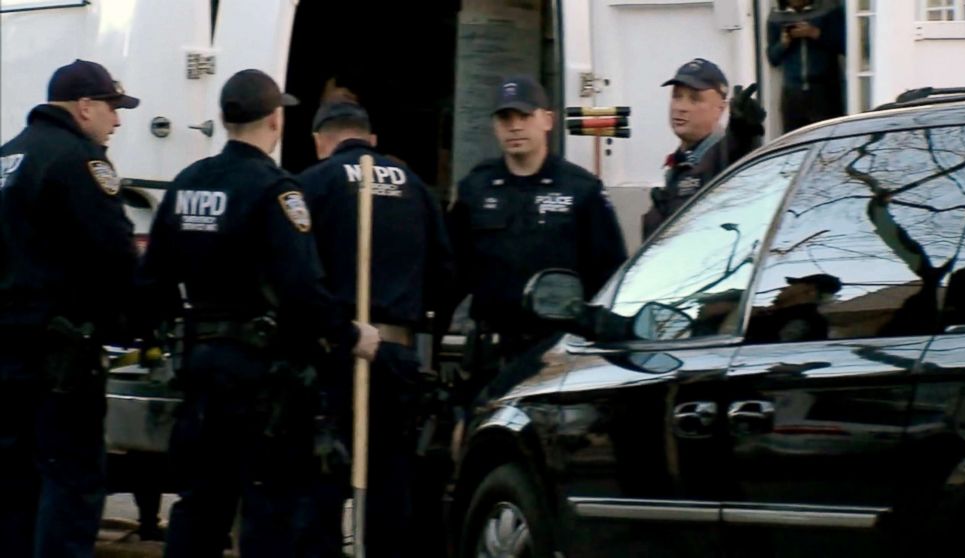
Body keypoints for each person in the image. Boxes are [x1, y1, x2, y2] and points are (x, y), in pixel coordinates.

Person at [138, 69, 380, 557]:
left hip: (200, 368)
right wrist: (351, 334)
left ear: (225, 119)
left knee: (199, 505)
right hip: (260, 378)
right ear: (275, 120)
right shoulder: (277, 191)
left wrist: (166, 338)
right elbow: (302, 290)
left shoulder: (188, 184)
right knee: (269, 509)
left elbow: (152, 281)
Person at [298, 100, 456, 558]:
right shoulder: (416, 188)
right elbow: (446, 276)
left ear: (319, 142)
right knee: (391, 489)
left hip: (332, 356)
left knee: (322, 488)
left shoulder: (313, 184)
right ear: (371, 139)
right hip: (396, 355)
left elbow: (297, 275)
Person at [0, 59, 140, 557]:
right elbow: (115, 254)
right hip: (61, 361)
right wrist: (135, 322)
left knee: (15, 489)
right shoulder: (81, 160)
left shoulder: (8, 157)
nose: (117, 121)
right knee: (73, 484)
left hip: (7, 355)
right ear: (85, 107)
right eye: (113, 108)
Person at [447, 75, 628, 402]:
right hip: (492, 356)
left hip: (556, 356)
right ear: (495, 126)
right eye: (505, 118)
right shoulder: (476, 188)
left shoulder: (580, 189)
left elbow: (610, 275)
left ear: (547, 120)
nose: (515, 126)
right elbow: (451, 272)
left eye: (524, 116)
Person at [641, 58, 767, 240]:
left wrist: (744, 129)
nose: (680, 107)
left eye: (694, 99)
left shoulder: (725, 156)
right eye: (676, 96)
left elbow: (740, 151)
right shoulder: (680, 163)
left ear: (720, 109)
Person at [766, 0, 846, 133]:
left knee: (827, 138)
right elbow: (773, 59)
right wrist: (784, 43)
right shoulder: (776, 17)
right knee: (793, 142)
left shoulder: (829, 10)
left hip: (824, 91)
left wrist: (815, 33)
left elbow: (845, 46)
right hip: (793, 92)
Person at [746, 273, 841, 343]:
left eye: (792, 285)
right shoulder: (776, 315)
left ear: (810, 290)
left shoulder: (807, 321)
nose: (783, 289)